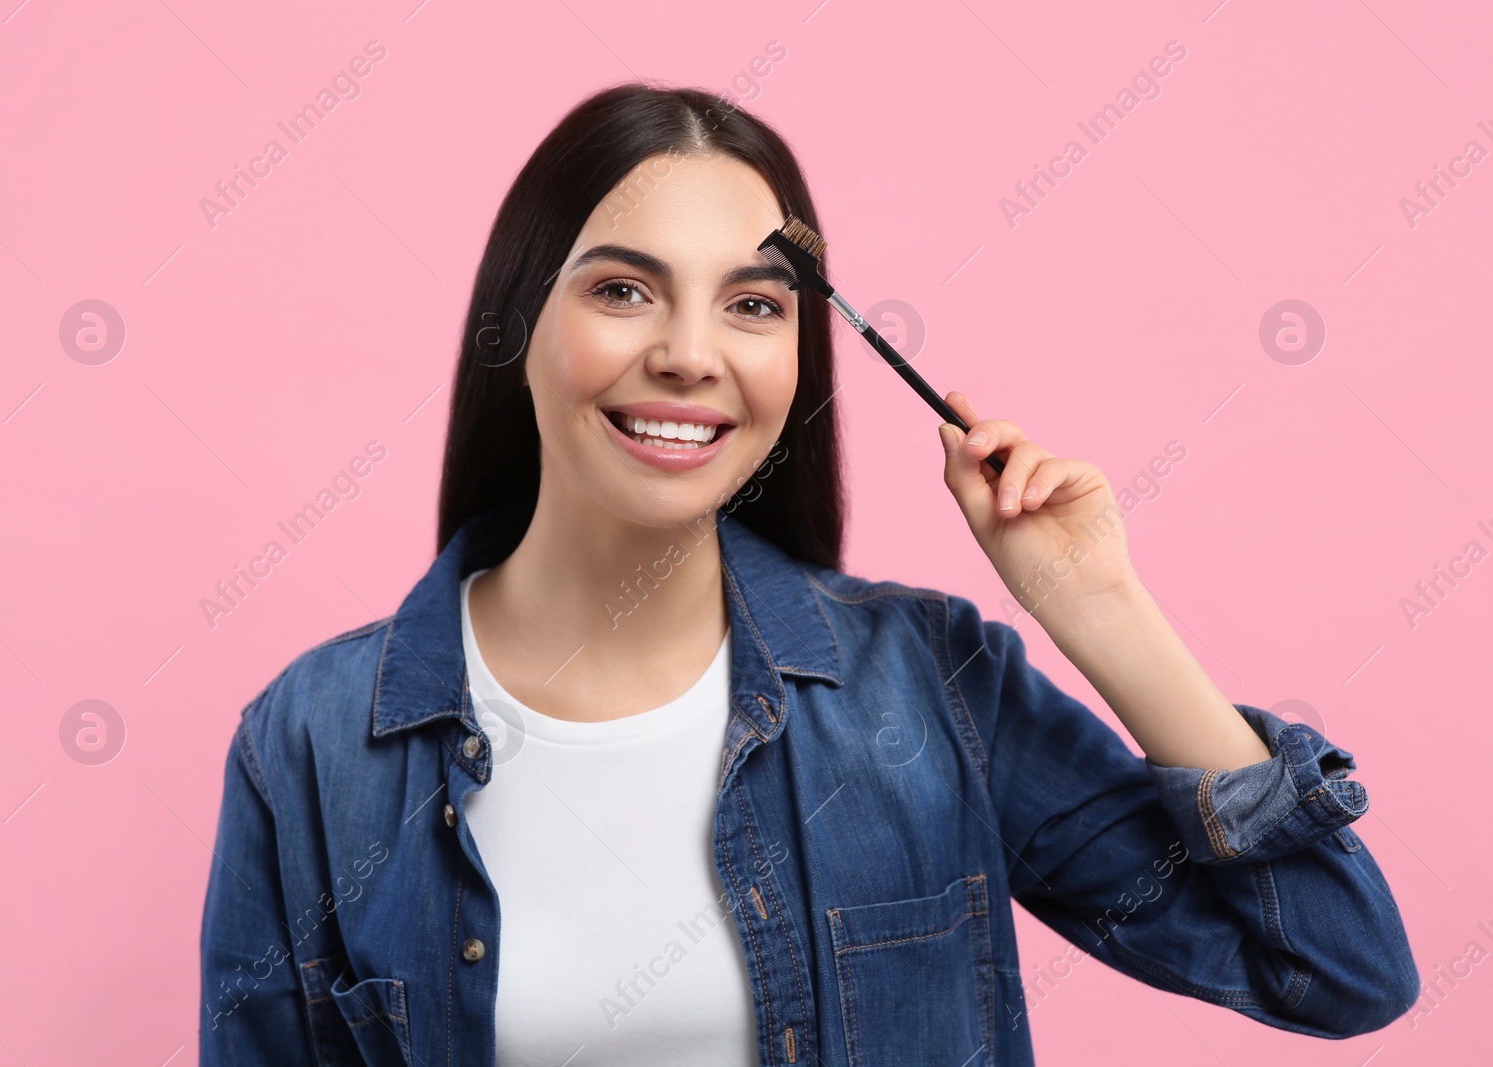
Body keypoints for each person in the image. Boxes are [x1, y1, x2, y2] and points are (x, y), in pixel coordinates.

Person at [198, 83, 1419, 1066]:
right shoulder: (311, 741)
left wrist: (1099, 609)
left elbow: (1335, 966)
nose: (688, 355)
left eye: (752, 304)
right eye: (623, 290)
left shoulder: (927, 686)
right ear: (516, 325)